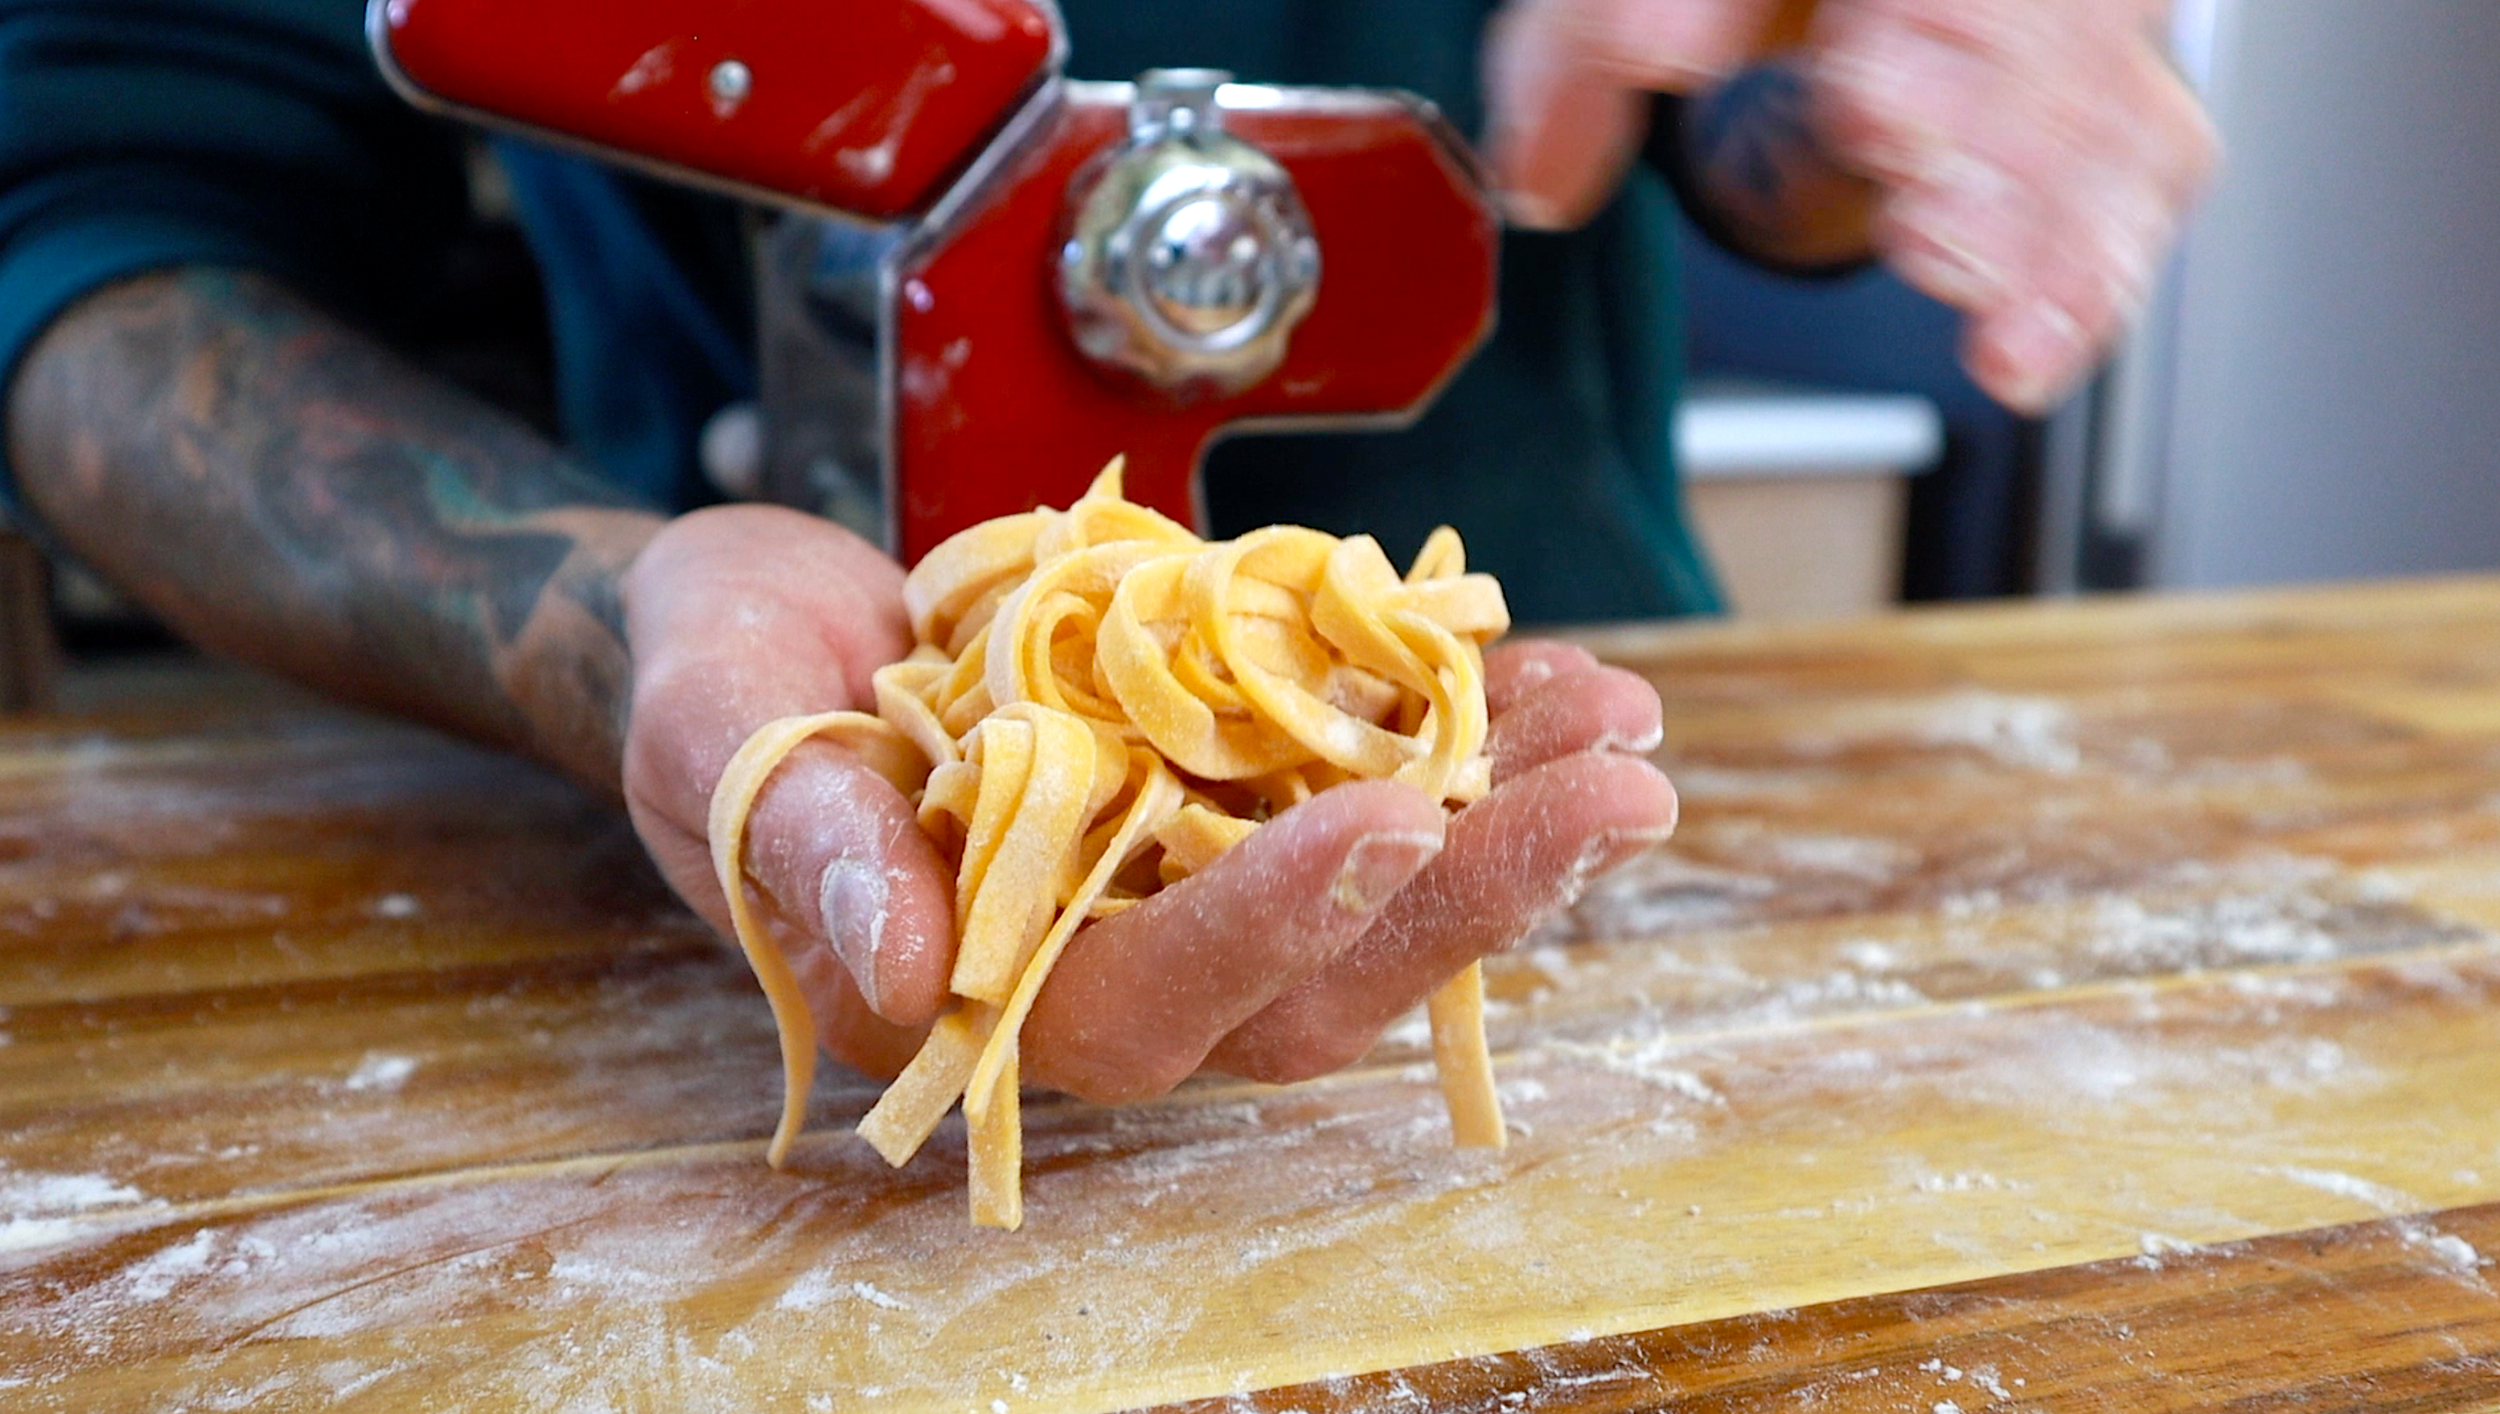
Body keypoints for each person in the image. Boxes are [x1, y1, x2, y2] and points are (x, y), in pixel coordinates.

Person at [0, 2, 2211, 1098]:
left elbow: (1734, 137)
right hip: (679, 886)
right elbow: (96, 210)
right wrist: (600, 619)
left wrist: (1850, 76)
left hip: (1619, 863)